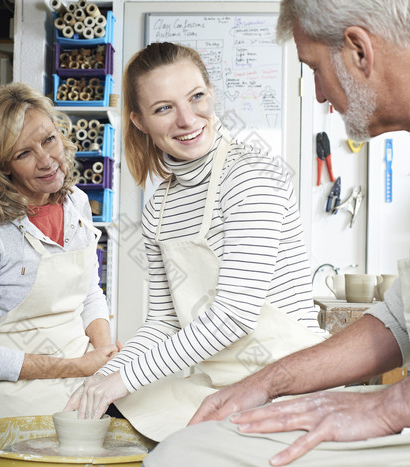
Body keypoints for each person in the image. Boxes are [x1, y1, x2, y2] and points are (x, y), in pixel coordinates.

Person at [143, 1, 410, 465]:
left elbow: (234, 314)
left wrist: (389, 405)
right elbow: (403, 318)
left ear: (359, 51)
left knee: (186, 457)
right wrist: (267, 382)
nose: (320, 95)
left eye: (315, 70)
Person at [64, 42, 327, 442]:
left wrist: (121, 380)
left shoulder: (251, 176)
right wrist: (96, 383)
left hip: (291, 380)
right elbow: (163, 323)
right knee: (117, 417)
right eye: (164, 108)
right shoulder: (159, 207)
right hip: (220, 384)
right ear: (139, 121)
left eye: (196, 97)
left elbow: (234, 315)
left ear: (212, 94)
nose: (187, 119)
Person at [0, 82, 119, 421]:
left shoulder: (77, 203)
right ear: (2, 165)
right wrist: (78, 366)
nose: (46, 161)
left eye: (49, 140)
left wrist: (104, 354)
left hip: (80, 371)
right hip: (10, 392)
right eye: (24, 153)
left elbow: (88, 294)